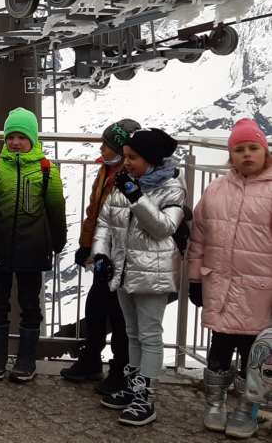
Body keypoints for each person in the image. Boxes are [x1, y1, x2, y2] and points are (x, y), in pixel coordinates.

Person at [92, 127, 184, 427]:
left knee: (149, 334)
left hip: (153, 273)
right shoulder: (125, 184)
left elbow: (163, 228)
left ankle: (146, 396)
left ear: (152, 159)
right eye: (127, 156)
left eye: (133, 157)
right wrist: (101, 254)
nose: (127, 162)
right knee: (132, 332)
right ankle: (134, 388)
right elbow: (105, 222)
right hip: (125, 270)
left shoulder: (172, 189)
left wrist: (137, 198)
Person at [188, 118, 272, 438]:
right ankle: (215, 403)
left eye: (253, 148)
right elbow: (199, 237)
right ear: (230, 154)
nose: (247, 155)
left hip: (260, 292)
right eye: (239, 149)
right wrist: (195, 279)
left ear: (264, 151)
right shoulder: (216, 189)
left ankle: (246, 407)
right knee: (219, 350)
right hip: (221, 287)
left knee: (254, 356)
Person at [0, 107, 66, 383]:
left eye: (21, 136)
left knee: (30, 304)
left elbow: (56, 208)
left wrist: (58, 241)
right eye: (10, 137)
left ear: (32, 139)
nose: (15, 142)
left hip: (32, 247)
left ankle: (26, 358)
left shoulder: (46, 170)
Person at [61, 119, 140, 394]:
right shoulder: (106, 170)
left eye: (108, 145)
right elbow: (94, 212)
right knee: (95, 307)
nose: (102, 148)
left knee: (119, 316)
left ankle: (120, 369)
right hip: (102, 253)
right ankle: (91, 358)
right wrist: (86, 245)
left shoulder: (131, 177)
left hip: (120, 257)